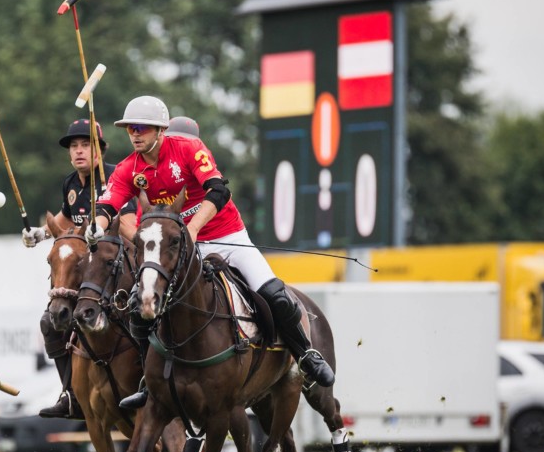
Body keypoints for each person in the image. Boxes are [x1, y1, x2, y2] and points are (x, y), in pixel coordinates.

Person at [87, 96, 335, 410]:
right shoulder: (128, 169)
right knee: (141, 307)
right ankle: (148, 380)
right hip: (180, 249)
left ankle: (305, 354)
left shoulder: (188, 149)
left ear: (161, 130)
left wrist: (192, 229)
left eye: (142, 128)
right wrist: (97, 224)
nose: (135, 134)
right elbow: (109, 204)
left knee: (274, 294)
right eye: (130, 129)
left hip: (226, 234)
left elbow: (218, 189)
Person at [20, 119, 115, 420]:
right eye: (73, 146)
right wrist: (39, 233)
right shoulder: (71, 184)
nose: (78, 151)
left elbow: (129, 222)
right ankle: (71, 394)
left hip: (114, 265)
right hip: (83, 271)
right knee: (51, 322)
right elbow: (64, 222)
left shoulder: (115, 177)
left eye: (85, 145)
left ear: (99, 149)